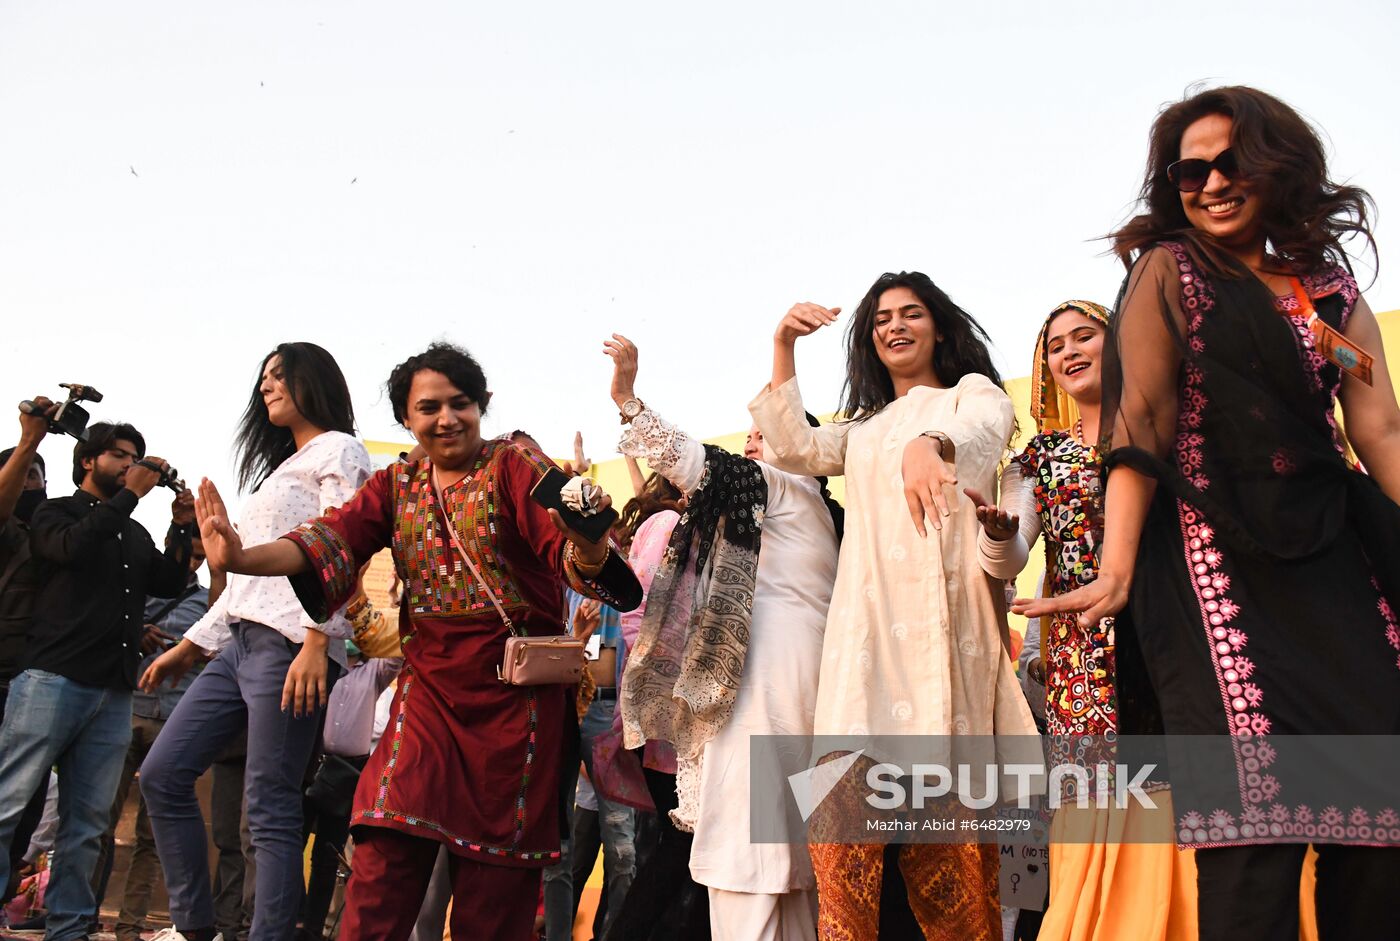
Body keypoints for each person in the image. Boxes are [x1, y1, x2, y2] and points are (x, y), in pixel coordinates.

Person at [1018, 85, 1400, 940]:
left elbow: (1378, 428)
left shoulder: (1329, 294)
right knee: (1252, 835)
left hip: (1337, 562)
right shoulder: (1170, 270)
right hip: (1211, 566)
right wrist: (1117, 567)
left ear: (1278, 165)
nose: (1214, 183)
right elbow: (1141, 423)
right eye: (1191, 171)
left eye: (1233, 163)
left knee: (1380, 824)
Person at [191, 342, 643, 940]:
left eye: (461, 404)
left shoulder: (516, 463)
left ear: (481, 405)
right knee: (384, 849)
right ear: (407, 418)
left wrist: (588, 544)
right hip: (428, 696)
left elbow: (572, 549)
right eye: (429, 408)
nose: (447, 418)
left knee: (494, 894)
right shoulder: (395, 485)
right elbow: (329, 539)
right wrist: (242, 558)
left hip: (515, 709)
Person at [750, 274, 1038, 939]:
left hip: (947, 649)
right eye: (882, 319)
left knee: (957, 880)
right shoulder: (864, 429)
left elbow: (982, 432)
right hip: (865, 651)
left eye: (911, 314)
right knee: (842, 864)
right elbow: (793, 447)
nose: (895, 326)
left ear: (939, 327)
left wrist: (928, 445)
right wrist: (784, 343)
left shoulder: (973, 394)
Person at [971, 301, 1197, 940]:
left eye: (1084, 336)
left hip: (1171, 629)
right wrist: (998, 535)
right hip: (1082, 648)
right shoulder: (1038, 457)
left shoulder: (1167, 431)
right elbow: (1012, 554)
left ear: (1118, 342)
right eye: (1056, 346)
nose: (1069, 351)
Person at [606, 333, 841, 941]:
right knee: (791, 876)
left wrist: (629, 401)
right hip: (797, 692)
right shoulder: (821, 513)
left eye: (766, 433)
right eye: (751, 435)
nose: (752, 443)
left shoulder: (787, 489)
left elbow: (691, 461)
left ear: (803, 445)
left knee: (749, 869)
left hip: (770, 697)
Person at [139, 342, 372, 941]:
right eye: (264, 377)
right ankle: (196, 927)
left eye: (279, 375)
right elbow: (247, 582)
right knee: (162, 774)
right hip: (239, 644)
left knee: (269, 806)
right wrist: (190, 647)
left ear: (313, 381)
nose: (266, 385)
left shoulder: (341, 450)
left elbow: (346, 547)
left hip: (291, 647)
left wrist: (320, 641)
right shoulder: (283, 467)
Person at [0, 420, 194, 941]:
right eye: (120, 456)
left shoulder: (132, 531)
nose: (131, 465)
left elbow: (170, 581)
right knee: (7, 805)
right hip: (51, 679)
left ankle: (67, 928)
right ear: (88, 461)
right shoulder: (56, 512)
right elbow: (71, 549)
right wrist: (130, 497)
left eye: (136, 458)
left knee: (86, 825)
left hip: (112, 692)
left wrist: (181, 528)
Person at [94, 532, 216, 941]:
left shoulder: (206, 602)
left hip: (173, 721)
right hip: (126, 711)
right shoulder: (140, 591)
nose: (192, 564)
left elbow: (216, 649)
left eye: (200, 558)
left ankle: (130, 926)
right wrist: (136, 633)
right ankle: (82, 915)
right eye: (188, 555)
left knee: (154, 836)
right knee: (100, 822)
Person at [0, 397, 57, 904]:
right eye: (25, 475)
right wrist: (28, 441)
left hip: (36, 685)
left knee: (24, 810)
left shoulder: (54, 539)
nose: (33, 483)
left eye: (40, 475)